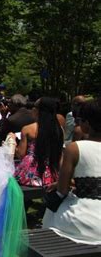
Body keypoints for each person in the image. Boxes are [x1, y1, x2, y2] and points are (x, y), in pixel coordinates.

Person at [42, 98, 101, 245]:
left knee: (51, 212)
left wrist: (63, 184)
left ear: (87, 124)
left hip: (87, 222)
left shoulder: (75, 148)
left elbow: (62, 189)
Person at [13, 97, 64, 187]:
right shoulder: (59, 130)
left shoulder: (27, 129)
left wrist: (12, 140)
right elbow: (60, 154)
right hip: (52, 173)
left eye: (34, 106)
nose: (32, 109)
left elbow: (20, 154)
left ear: (39, 110)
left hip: (29, 174)